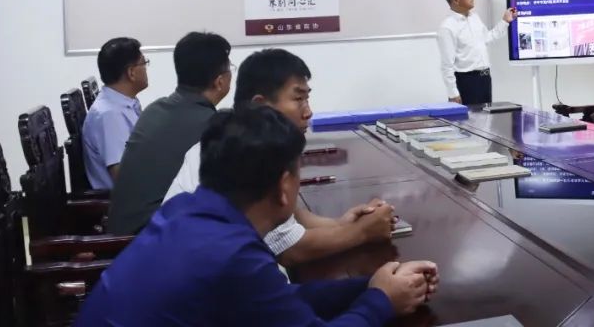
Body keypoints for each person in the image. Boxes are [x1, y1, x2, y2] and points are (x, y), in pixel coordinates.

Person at [76, 105, 439, 326]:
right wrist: (380, 302)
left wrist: (371, 284)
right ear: (283, 186)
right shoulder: (233, 255)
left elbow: (278, 302)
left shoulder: (185, 210)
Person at [164, 48, 396, 266]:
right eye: (298, 99)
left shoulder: (237, 136)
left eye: (307, 99)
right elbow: (289, 249)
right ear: (260, 104)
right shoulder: (244, 152)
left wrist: (339, 224)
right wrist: (362, 232)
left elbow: (288, 216)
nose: (308, 112)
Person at [108, 31, 232, 235]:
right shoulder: (210, 126)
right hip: (145, 240)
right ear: (219, 82)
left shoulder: (155, 109)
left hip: (126, 231)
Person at [82, 37, 148, 189]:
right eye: (144, 63)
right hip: (127, 200)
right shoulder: (110, 115)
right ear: (131, 72)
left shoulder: (124, 102)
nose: (146, 68)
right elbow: (124, 177)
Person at [437, 0, 516, 105]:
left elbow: (488, 37)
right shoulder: (447, 27)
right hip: (466, 82)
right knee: (469, 118)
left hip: (485, 79)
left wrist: (505, 21)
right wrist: (453, 93)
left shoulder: (474, 18)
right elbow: (447, 65)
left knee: (486, 117)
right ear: (456, 0)